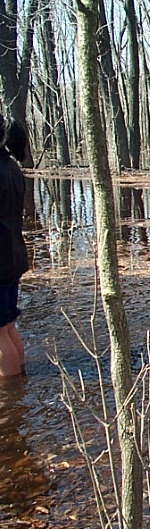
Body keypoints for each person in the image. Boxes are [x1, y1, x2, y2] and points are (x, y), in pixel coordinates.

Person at [0, 116, 30, 377]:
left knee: (0, 332)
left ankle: (10, 394)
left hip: (2, 260)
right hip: (13, 257)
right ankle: (20, 379)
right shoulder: (12, 167)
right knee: (8, 327)